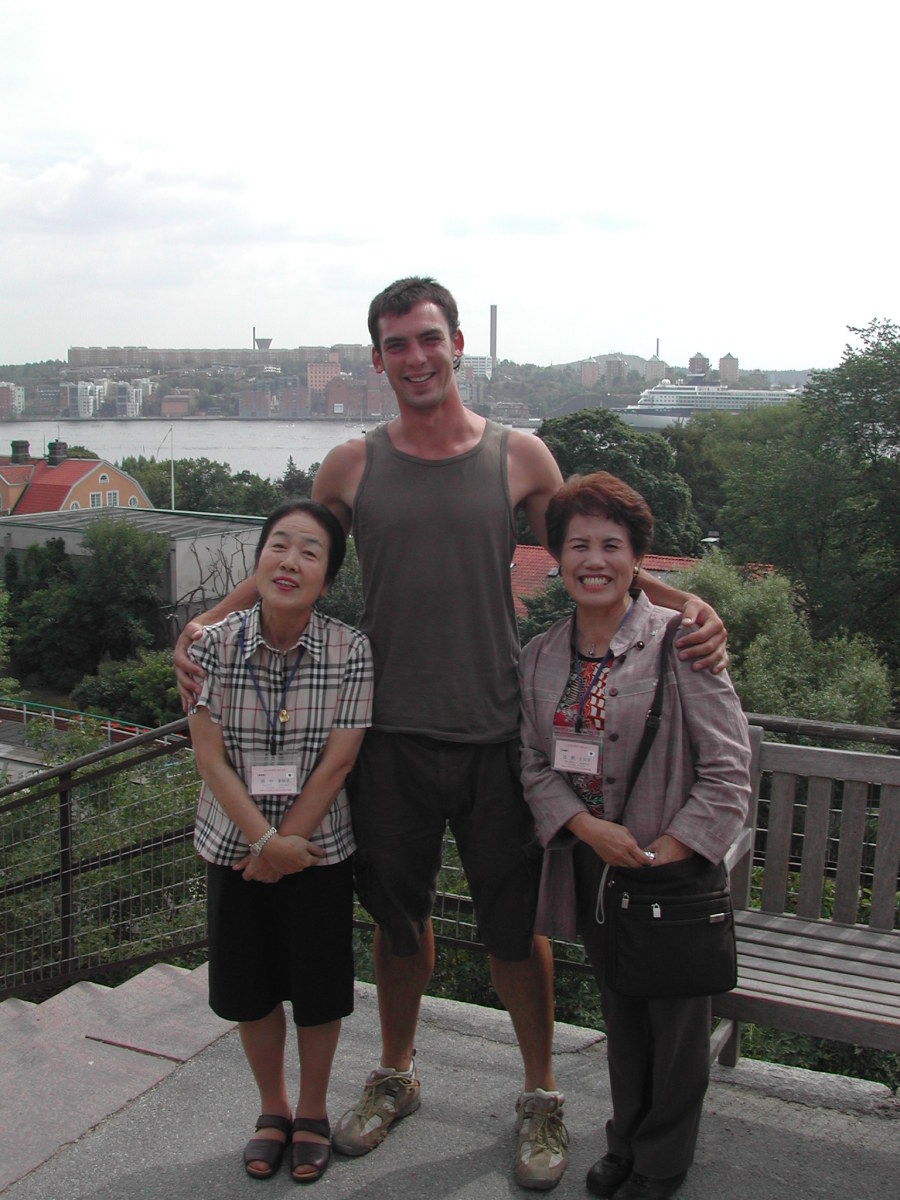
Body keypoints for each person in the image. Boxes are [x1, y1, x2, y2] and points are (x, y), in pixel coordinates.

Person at [175, 277, 728, 1191]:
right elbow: (293, 557)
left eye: (428, 338)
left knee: (515, 932)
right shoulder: (350, 466)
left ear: (458, 343)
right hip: (385, 736)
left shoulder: (520, 456)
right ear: (378, 358)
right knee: (399, 925)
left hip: (496, 735)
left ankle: (539, 1093)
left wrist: (683, 601)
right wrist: (205, 625)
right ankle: (396, 1074)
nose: (416, 357)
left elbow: (593, 548)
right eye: (396, 344)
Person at [518, 472, 751, 1200]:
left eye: (611, 545)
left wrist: (669, 851)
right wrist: (586, 829)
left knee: (676, 1023)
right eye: (578, 544)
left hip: (671, 868)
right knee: (621, 1009)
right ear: (557, 556)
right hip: (595, 863)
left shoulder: (681, 642)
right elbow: (531, 761)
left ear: (636, 559)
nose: (595, 560)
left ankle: (662, 1159)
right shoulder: (541, 653)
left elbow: (729, 768)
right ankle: (626, 1136)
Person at [187, 499, 373, 1184]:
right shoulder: (209, 646)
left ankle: (314, 1111)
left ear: (327, 577)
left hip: (316, 850)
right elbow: (209, 759)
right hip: (234, 847)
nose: (290, 562)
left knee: (318, 989)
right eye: (279, 546)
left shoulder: (351, 650)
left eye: (309, 552)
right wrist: (265, 843)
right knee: (250, 988)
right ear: (259, 558)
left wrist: (284, 847)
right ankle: (273, 1109)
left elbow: (338, 763)